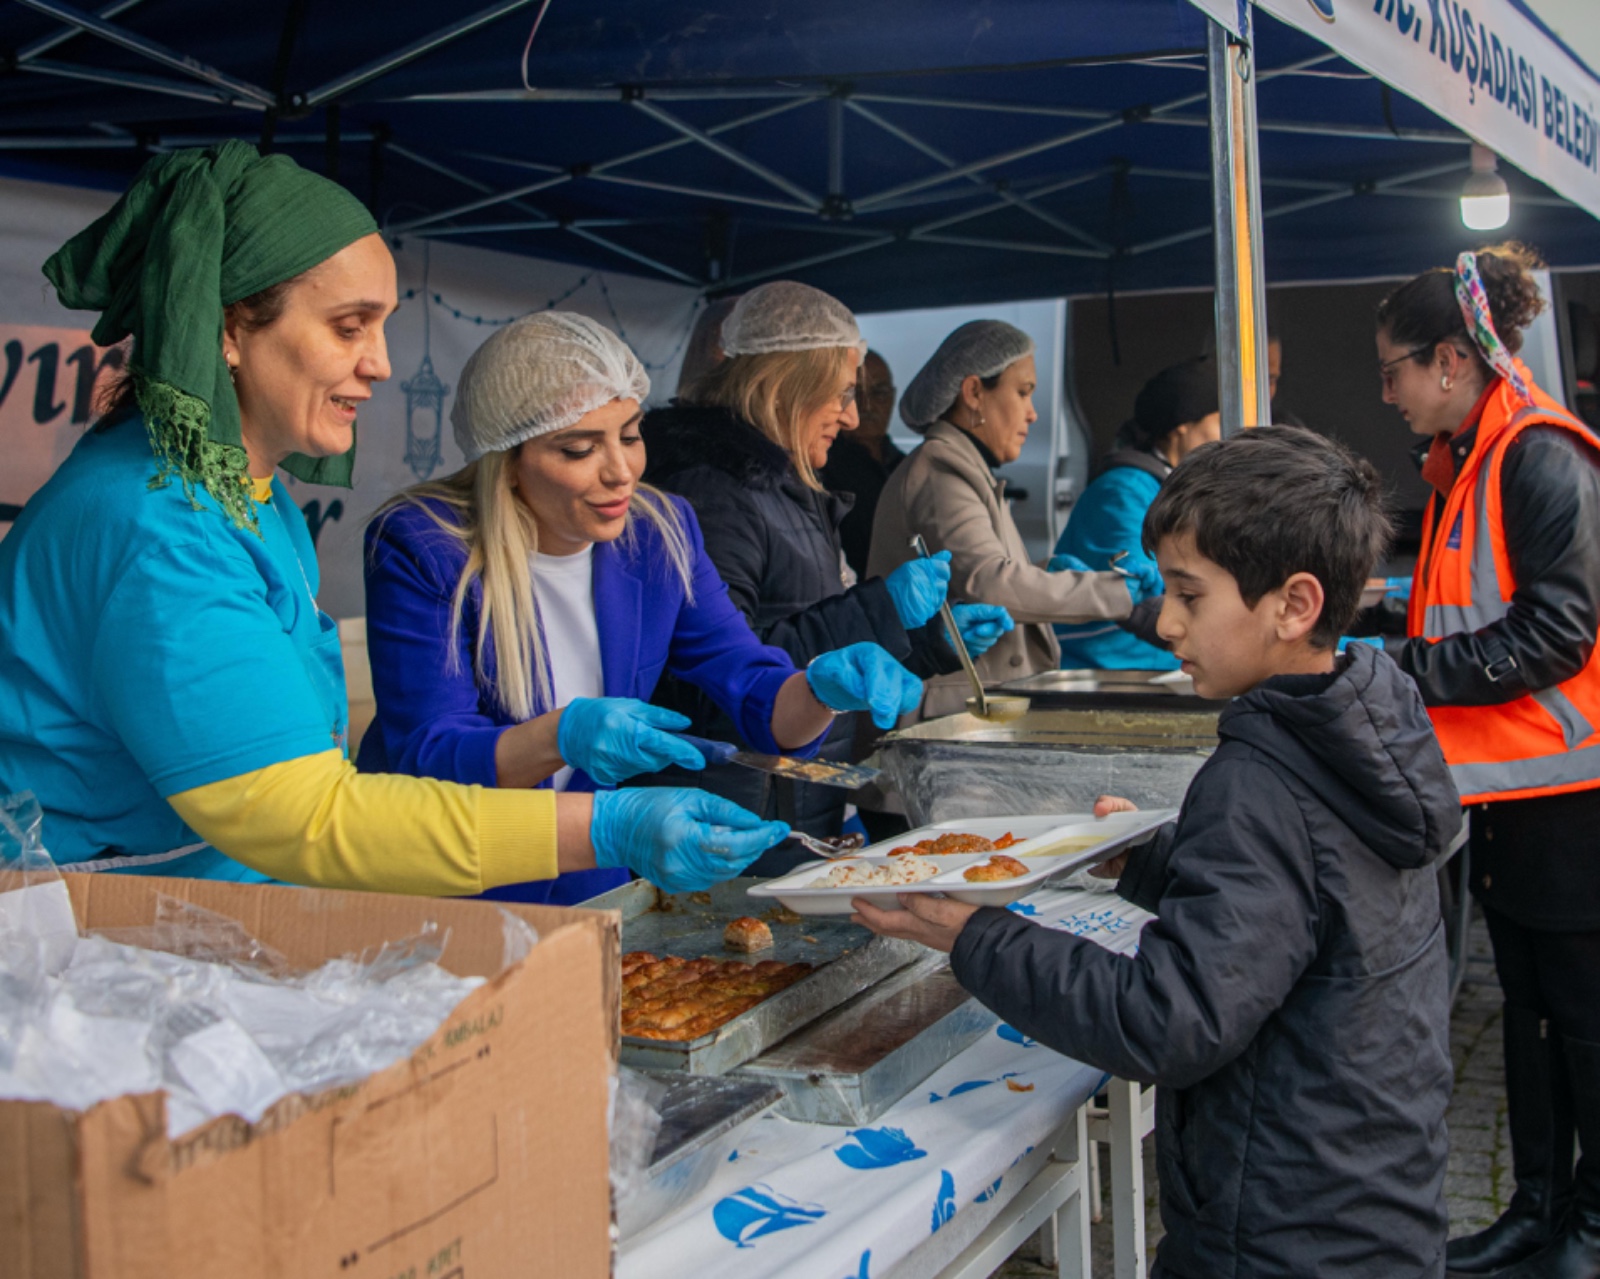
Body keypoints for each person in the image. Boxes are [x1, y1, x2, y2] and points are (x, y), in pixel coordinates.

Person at [0, 141, 790, 898]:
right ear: (230, 328)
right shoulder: (157, 529)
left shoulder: (246, 495)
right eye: (349, 326)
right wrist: (602, 826)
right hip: (98, 939)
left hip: (212, 913)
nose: (379, 361)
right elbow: (307, 814)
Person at [857, 426, 1461, 1279]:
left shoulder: (1256, 781)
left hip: (1277, 1232)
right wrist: (1150, 859)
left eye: (1189, 593)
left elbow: (1167, 1018)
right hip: (1375, 1201)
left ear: (1294, 603)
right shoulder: (1367, 721)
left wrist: (975, 935)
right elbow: (1306, 909)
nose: (1166, 620)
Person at [361, 312, 923, 903]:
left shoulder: (659, 531)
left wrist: (817, 692)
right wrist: (562, 736)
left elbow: (751, 685)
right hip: (454, 878)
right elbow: (429, 757)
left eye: (630, 435)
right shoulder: (423, 543)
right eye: (580, 448)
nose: (622, 472)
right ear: (507, 460)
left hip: (589, 873)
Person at [1368, 243, 1600, 1279]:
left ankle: (1587, 1228)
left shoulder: (1539, 457)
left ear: (1452, 359)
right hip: (1507, 794)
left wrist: (1409, 671)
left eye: (1393, 371)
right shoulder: (1476, 458)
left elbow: (1559, 630)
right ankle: (1537, 1209)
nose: (1388, 394)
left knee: (1585, 1022)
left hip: (1573, 799)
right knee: (1532, 1015)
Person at [641, 281, 1011, 854]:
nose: (853, 415)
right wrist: (880, 608)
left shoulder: (784, 484)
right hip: (728, 811)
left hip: (791, 799)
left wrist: (928, 640)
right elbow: (725, 677)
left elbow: (807, 626)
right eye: (841, 394)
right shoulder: (713, 491)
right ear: (786, 387)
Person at [868, 319, 1146, 717]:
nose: (1032, 414)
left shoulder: (964, 465)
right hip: (950, 712)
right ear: (975, 392)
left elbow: (971, 574)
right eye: (1023, 393)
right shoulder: (942, 470)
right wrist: (1115, 591)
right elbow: (989, 582)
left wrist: (1046, 572)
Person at [1053, 356, 1218, 670]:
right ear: (1183, 426)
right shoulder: (1122, 490)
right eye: (1220, 418)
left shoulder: (1175, 487)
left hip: (1161, 663)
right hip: (1107, 667)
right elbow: (1142, 603)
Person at [820, 349, 905, 578]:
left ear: (893, 397)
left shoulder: (906, 466)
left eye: (879, 393)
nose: (866, 406)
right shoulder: (822, 466)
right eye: (856, 394)